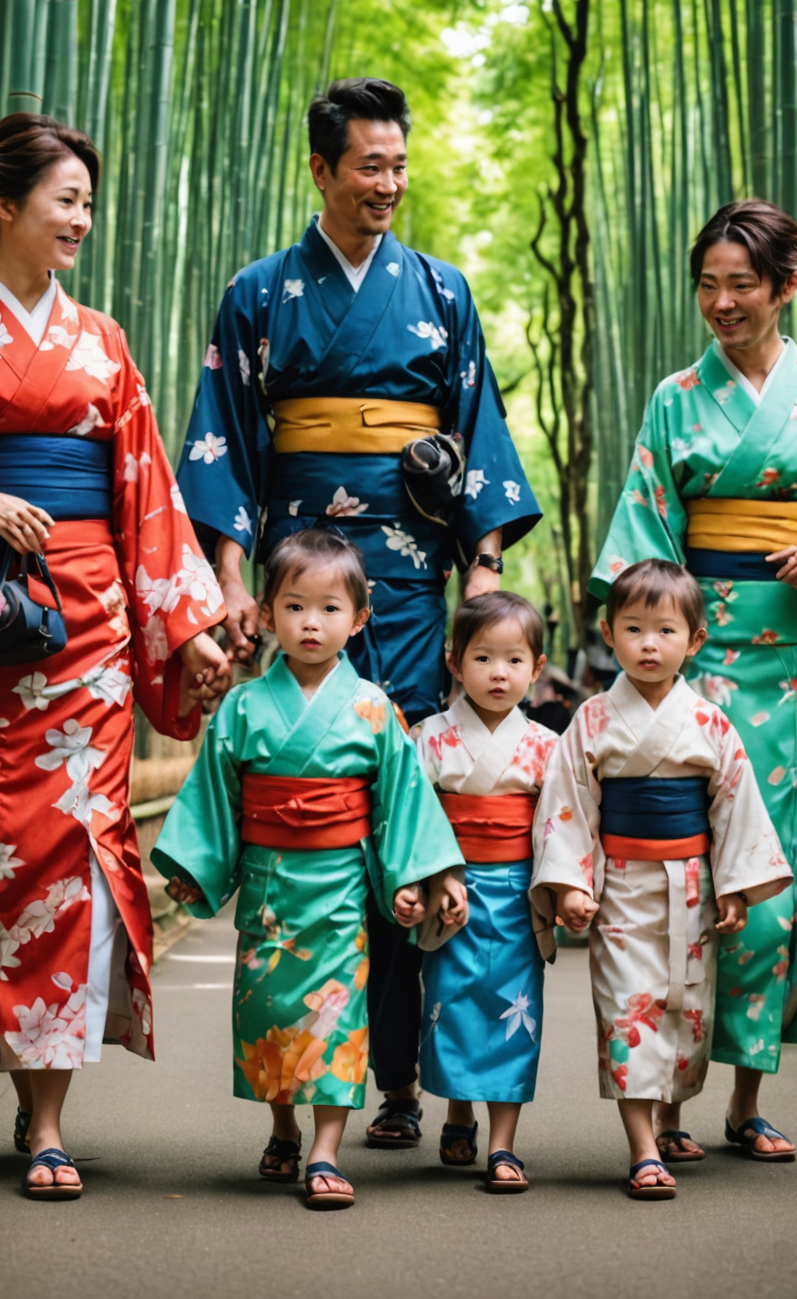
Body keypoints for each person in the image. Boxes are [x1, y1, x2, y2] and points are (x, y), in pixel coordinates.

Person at [0, 114, 233, 1200]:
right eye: (66, 200)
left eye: (87, 203)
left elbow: (147, 494)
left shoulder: (103, 341)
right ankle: (30, 1104)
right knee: (1, 857)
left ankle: (52, 1116)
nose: (80, 219)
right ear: (7, 203)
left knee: (78, 853)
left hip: (93, 622)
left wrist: (189, 626)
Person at [176, 77, 540, 1146]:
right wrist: (235, 582)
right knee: (316, 832)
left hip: (412, 593)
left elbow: (477, 432)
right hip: (306, 592)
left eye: (398, 164)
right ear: (321, 170)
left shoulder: (442, 290)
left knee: (406, 825)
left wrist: (480, 568)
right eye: (368, 165)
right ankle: (311, 1084)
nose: (388, 184)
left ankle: (400, 1079)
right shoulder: (259, 293)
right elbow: (226, 442)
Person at [592, 200, 797, 1163]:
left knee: (780, 888)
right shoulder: (674, 398)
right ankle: (674, 1103)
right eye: (708, 285)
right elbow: (648, 533)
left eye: (742, 285)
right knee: (691, 884)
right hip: (706, 668)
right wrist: (662, 648)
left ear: (787, 286)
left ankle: (747, 1097)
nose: (722, 302)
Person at [152, 530, 466, 1211]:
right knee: (271, 1012)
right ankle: (283, 1129)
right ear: (266, 614)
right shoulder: (241, 706)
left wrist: (410, 878)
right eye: (295, 607)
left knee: (337, 1016)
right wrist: (199, 869)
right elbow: (216, 796)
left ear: (360, 618)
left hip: (343, 890)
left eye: (329, 609)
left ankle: (325, 1151)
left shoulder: (375, 709)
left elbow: (401, 806)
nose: (311, 623)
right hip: (269, 889)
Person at [531, 560, 792, 1199]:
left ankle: (670, 1122)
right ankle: (643, 1148)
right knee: (628, 1011)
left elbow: (734, 805)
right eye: (634, 628)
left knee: (685, 1007)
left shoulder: (710, 724)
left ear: (695, 640)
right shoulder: (591, 720)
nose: (649, 644)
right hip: (620, 885)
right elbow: (569, 804)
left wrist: (733, 884)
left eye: (666, 630)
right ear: (609, 633)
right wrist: (570, 882)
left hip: (691, 885)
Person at [410, 591, 558, 1193]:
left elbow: (563, 826)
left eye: (515, 660)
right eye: (483, 658)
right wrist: (428, 880)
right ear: (454, 661)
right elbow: (414, 816)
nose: (499, 673)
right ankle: (457, 1112)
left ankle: (503, 1145)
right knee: (450, 1006)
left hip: (521, 896)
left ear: (537, 668)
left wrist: (565, 891)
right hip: (454, 890)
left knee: (513, 1016)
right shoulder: (428, 736)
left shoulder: (549, 745)